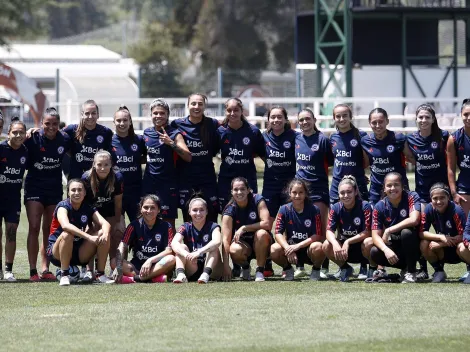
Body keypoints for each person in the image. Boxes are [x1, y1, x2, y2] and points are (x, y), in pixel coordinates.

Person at [24, 107, 71, 281]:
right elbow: (14, 142)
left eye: (54, 124)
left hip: (53, 189)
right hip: (34, 188)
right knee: (34, 226)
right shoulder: (32, 138)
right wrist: (27, 131)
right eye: (47, 124)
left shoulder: (64, 139)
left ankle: (45, 269)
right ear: (41, 123)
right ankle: (32, 271)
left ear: (59, 125)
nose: (51, 127)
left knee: (48, 230)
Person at [404, 104, 449, 280]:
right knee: (419, 228)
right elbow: (409, 158)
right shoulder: (411, 139)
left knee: (443, 228)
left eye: (427, 117)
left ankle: (441, 267)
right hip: (422, 192)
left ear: (433, 119)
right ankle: (422, 268)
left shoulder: (443, 136)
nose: (423, 120)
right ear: (416, 119)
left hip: (441, 192)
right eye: (420, 117)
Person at [46, 179, 114, 286]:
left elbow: (105, 223)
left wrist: (105, 234)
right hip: (57, 253)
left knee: (103, 233)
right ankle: (64, 275)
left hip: (79, 252)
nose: (76, 193)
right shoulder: (62, 206)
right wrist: (88, 237)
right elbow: (65, 225)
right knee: (67, 234)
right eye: (73, 190)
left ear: (85, 193)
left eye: (79, 190)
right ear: (68, 193)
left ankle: (100, 274)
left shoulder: (88, 207)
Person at [329, 104, 369, 279]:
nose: (341, 119)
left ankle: (364, 266)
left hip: (357, 186)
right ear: (334, 118)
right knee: (339, 225)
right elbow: (331, 160)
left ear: (350, 116)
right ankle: (343, 266)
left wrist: (360, 175)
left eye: (345, 115)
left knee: (362, 225)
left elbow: (367, 160)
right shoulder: (332, 138)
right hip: (337, 187)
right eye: (338, 116)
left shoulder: (361, 136)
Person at [295, 107, 333, 278]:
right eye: (301, 120)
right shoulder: (296, 139)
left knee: (320, 228)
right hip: (300, 191)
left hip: (319, 190)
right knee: (299, 227)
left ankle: (323, 267)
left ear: (314, 120)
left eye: (307, 119)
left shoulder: (323, 140)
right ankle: (300, 265)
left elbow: (332, 162)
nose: (304, 123)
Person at [170, 93, 220, 222]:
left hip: (207, 177)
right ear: (188, 105)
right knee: (189, 215)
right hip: (186, 178)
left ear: (204, 106)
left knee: (211, 213)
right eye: (193, 103)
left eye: (200, 104)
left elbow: (217, 146)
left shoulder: (212, 124)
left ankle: (212, 241)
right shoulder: (177, 124)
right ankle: (188, 242)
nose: (196, 107)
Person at [143, 98, 191, 228]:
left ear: (167, 115)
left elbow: (188, 156)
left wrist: (171, 143)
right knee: (147, 220)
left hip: (167, 186)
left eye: (162, 113)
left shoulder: (174, 134)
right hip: (149, 183)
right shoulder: (147, 133)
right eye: (155, 113)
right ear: (151, 115)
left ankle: (171, 248)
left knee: (168, 224)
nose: (158, 116)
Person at [262, 105, 297, 277]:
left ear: (285, 119)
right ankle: (267, 261)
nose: (276, 120)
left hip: (289, 188)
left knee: (287, 225)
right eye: (272, 117)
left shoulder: (294, 137)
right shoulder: (263, 137)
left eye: (279, 117)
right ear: (268, 120)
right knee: (267, 224)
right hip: (269, 186)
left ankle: (287, 264)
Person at [367, 172, 421, 283]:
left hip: (416, 247)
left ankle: (411, 272)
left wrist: (389, 230)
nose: (393, 188)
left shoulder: (411, 196)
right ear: (384, 188)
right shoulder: (379, 206)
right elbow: (375, 235)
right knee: (374, 251)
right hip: (397, 247)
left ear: (402, 186)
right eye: (389, 185)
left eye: (396, 185)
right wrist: (386, 250)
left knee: (406, 232)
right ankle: (404, 268)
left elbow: (414, 219)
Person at [112, 194, 176, 283]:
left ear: (158, 210)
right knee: (114, 262)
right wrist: (118, 266)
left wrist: (150, 260)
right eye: (146, 207)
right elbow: (122, 246)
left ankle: (135, 279)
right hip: (137, 266)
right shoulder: (133, 225)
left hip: (157, 265)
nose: (149, 211)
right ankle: (153, 278)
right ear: (141, 209)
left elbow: (169, 251)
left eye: (153, 208)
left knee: (171, 259)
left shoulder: (166, 226)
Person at [217, 98, 266, 212]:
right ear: (225, 111)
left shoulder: (253, 131)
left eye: (236, 110)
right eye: (229, 110)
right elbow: (211, 152)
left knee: (250, 212)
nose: (233, 113)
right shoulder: (220, 131)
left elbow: (263, 155)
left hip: (248, 178)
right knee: (227, 212)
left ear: (241, 111)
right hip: (226, 179)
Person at [271, 179, 325, 281]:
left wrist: (298, 246)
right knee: (274, 249)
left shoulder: (314, 210)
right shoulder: (284, 209)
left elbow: (317, 235)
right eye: (294, 192)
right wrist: (287, 248)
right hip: (291, 251)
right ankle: (288, 270)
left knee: (318, 247)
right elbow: (278, 232)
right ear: (289, 193)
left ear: (305, 194)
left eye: (301, 192)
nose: (297, 196)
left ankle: (316, 270)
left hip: (308, 250)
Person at [81, 150, 123, 278]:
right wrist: (88, 223)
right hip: (92, 212)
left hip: (110, 210)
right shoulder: (86, 178)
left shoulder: (118, 177)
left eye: (106, 164)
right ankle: (89, 270)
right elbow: (84, 203)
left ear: (111, 165)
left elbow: (118, 203)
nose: (103, 168)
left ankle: (114, 267)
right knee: (91, 233)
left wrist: (116, 221)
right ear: (93, 165)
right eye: (99, 164)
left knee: (117, 233)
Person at [221, 177, 272, 282]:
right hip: (244, 245)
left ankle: (260, 270)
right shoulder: (229, 210)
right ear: (231, 192)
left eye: (242, 189)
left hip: (262, 243)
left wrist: (244, 228)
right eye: (235, 190)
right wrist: (225, 266)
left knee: (261, 233)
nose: (239, 192)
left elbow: (267, 224)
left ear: (248, 190)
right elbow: (225, 240)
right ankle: (245, 267)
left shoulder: (257, 200)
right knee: (234, 249)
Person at [323, 176, 373, 282]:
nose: (345, 195)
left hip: (362, 248)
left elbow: (368, 232)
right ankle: (345, 268)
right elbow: (329, 231)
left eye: (349, 192)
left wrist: (348, 241)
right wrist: (336, 244)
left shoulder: (365, 206)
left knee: (369, 242)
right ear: (338, 194)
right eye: (342, 193)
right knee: (327, 244)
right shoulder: (336, 207)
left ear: (355, 192)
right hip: (344, 251)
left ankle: (370, 269)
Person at [361, 108, 408, 207]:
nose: (378, 125)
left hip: (397, 187)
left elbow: (412, 158)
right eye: (374, 122)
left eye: (381, 122)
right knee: (374, 220)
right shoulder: (365, 141)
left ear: (387, 121)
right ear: (369, 123)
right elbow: (365, 163)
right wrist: (361, 174)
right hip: (376, 189)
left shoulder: (398, 138)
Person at [420, 183, 466, 282]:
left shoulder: (456, 210)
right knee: (424, 243)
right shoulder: (429, 209)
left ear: (448, 197)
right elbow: (422, 233)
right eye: (435, 198)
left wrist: (442, 243)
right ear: (431, 199)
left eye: (442, 198)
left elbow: (464, 236)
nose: (439, 201)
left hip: (458, 250)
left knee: (463, 247)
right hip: (444, 251)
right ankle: (439, 271)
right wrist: (440, 237)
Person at [0, 117, 28, 281]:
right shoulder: (1, 149)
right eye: (15, 132)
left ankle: (8, 270)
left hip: (13, 200)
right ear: (8, 133)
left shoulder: (26, 150)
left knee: (11, 233)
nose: (18, 135)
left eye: (21, 132)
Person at [171, 196, 222, 283]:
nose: (198, 213)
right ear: (189, 212)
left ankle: (205, 275)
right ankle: (181, 275)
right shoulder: (185, 226)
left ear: (206, 212)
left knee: (214, 249)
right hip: (193, 265)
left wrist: (199, 252)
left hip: (211, 266)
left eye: (202, 210)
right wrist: (186, 254)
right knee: (181, 247)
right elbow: (174, 243)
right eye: (195, 210)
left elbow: (217, 241)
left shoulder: (213, 226)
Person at [447, 98, 470, 281]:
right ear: (461, 116)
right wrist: (454, 192)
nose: (469, 117)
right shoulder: (454, 138)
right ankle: (469, 269)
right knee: (466, 230)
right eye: (466, 114)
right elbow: (451, 168)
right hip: (465, 188)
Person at [111, 106, 146, 223]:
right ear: (114, 122)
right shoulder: (109, 142)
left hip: (135, 191)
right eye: (119, 120)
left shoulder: (139, 140)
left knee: (139, 227)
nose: (122, 123)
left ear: (130, 121)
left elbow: (146, 158)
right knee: (118, 228)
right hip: (116, 192)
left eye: (125, 120)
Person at [63, 99, 113, 180]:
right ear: (82, 115)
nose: (90, 116)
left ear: (98, 115)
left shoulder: (106, 132)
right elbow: (54, 135)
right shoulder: (71, 130)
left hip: (97, 180)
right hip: (76, 179)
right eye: (87, 113)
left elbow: (109, 155)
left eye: (93, 113)